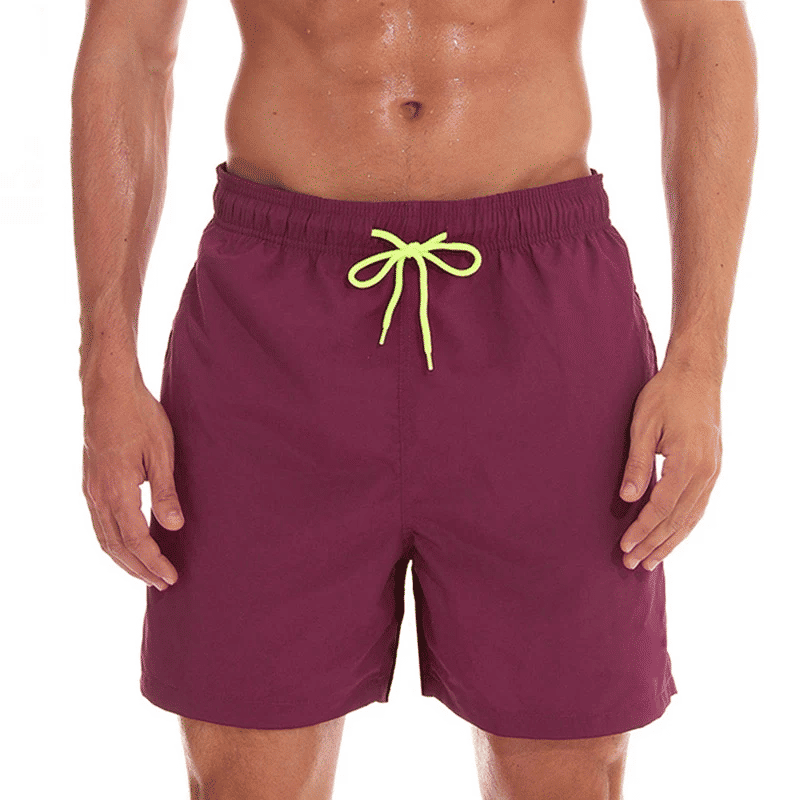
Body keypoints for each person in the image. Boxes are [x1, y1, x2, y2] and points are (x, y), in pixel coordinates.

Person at [71, 0, 757, 797]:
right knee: (243, 777)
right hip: (272, 322)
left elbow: (701, 38)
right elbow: (130, 49)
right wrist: (105, 370)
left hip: (539, 311)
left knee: (567, 773)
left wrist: (700, 359)